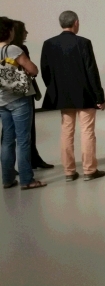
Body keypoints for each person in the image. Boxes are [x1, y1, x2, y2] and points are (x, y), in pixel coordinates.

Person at [41, 11, 105, 182]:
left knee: (66, 131)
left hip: (63, 95)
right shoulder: (83, 43)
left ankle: (69, 172)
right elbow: (91, 71)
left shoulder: (49, 44)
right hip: (84, 94)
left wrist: (55, 88)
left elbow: (45, 71)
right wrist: (99, 96)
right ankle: (89, 170)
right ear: (76, 22)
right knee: (87, 131)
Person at [0, 17, 47, 190]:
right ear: (9, 31)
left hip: (2, 100)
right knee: (23, 140)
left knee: (7, 140)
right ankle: (27, 180)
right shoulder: (12, 49)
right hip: (19, 98)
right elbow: (33, 69)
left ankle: (7, 179)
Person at [10, 21, 54, 170]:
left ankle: (10, 168)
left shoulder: (3, 49)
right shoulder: (20, 49)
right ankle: (29, 165)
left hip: (6, 94)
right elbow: (32, 70)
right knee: (27, 130)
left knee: (8, 133)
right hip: (23, 92)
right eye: (24, 30)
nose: (27, 33)